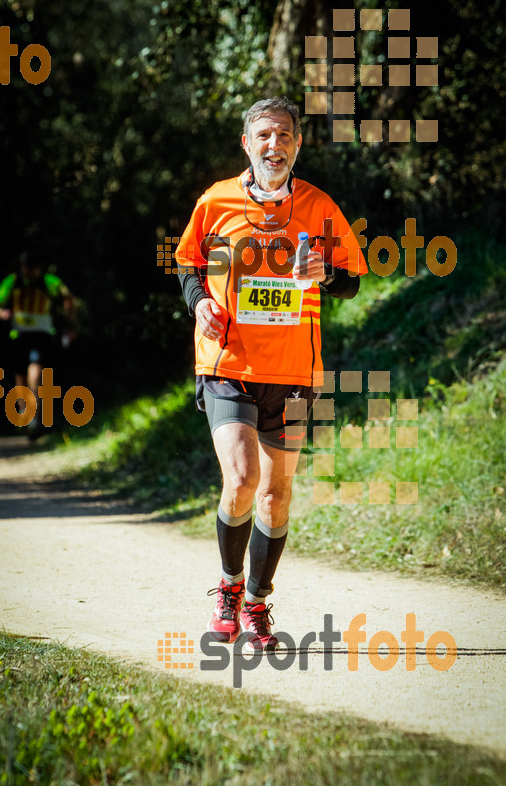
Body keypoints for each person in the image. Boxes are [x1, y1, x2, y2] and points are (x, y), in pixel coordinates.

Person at [175, 96, 367, 650]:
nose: (273, 145)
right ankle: (229, 587)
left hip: (295, 371)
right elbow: (187, 262)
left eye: (284, 135)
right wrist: (198, 303)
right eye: (263, 135)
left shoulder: (319, 207)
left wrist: (324, 274)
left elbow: (352, 278)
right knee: (240, 480)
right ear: (246, 143)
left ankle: (257, 601)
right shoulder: (215, 203)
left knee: (276, 496)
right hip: (227, 364)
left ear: (298, 143)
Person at [0, 249, 76, 438]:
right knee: (20, 377)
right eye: (25, 268)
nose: (28, 272)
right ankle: (25, 413)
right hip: (19, 335)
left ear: (37, 268)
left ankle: (34, 419)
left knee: (35, 371)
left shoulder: (48, 281)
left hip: (41, 334)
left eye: (31, 268)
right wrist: (3, 314)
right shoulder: (12, 281)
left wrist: (69, 323)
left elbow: (68, 297)